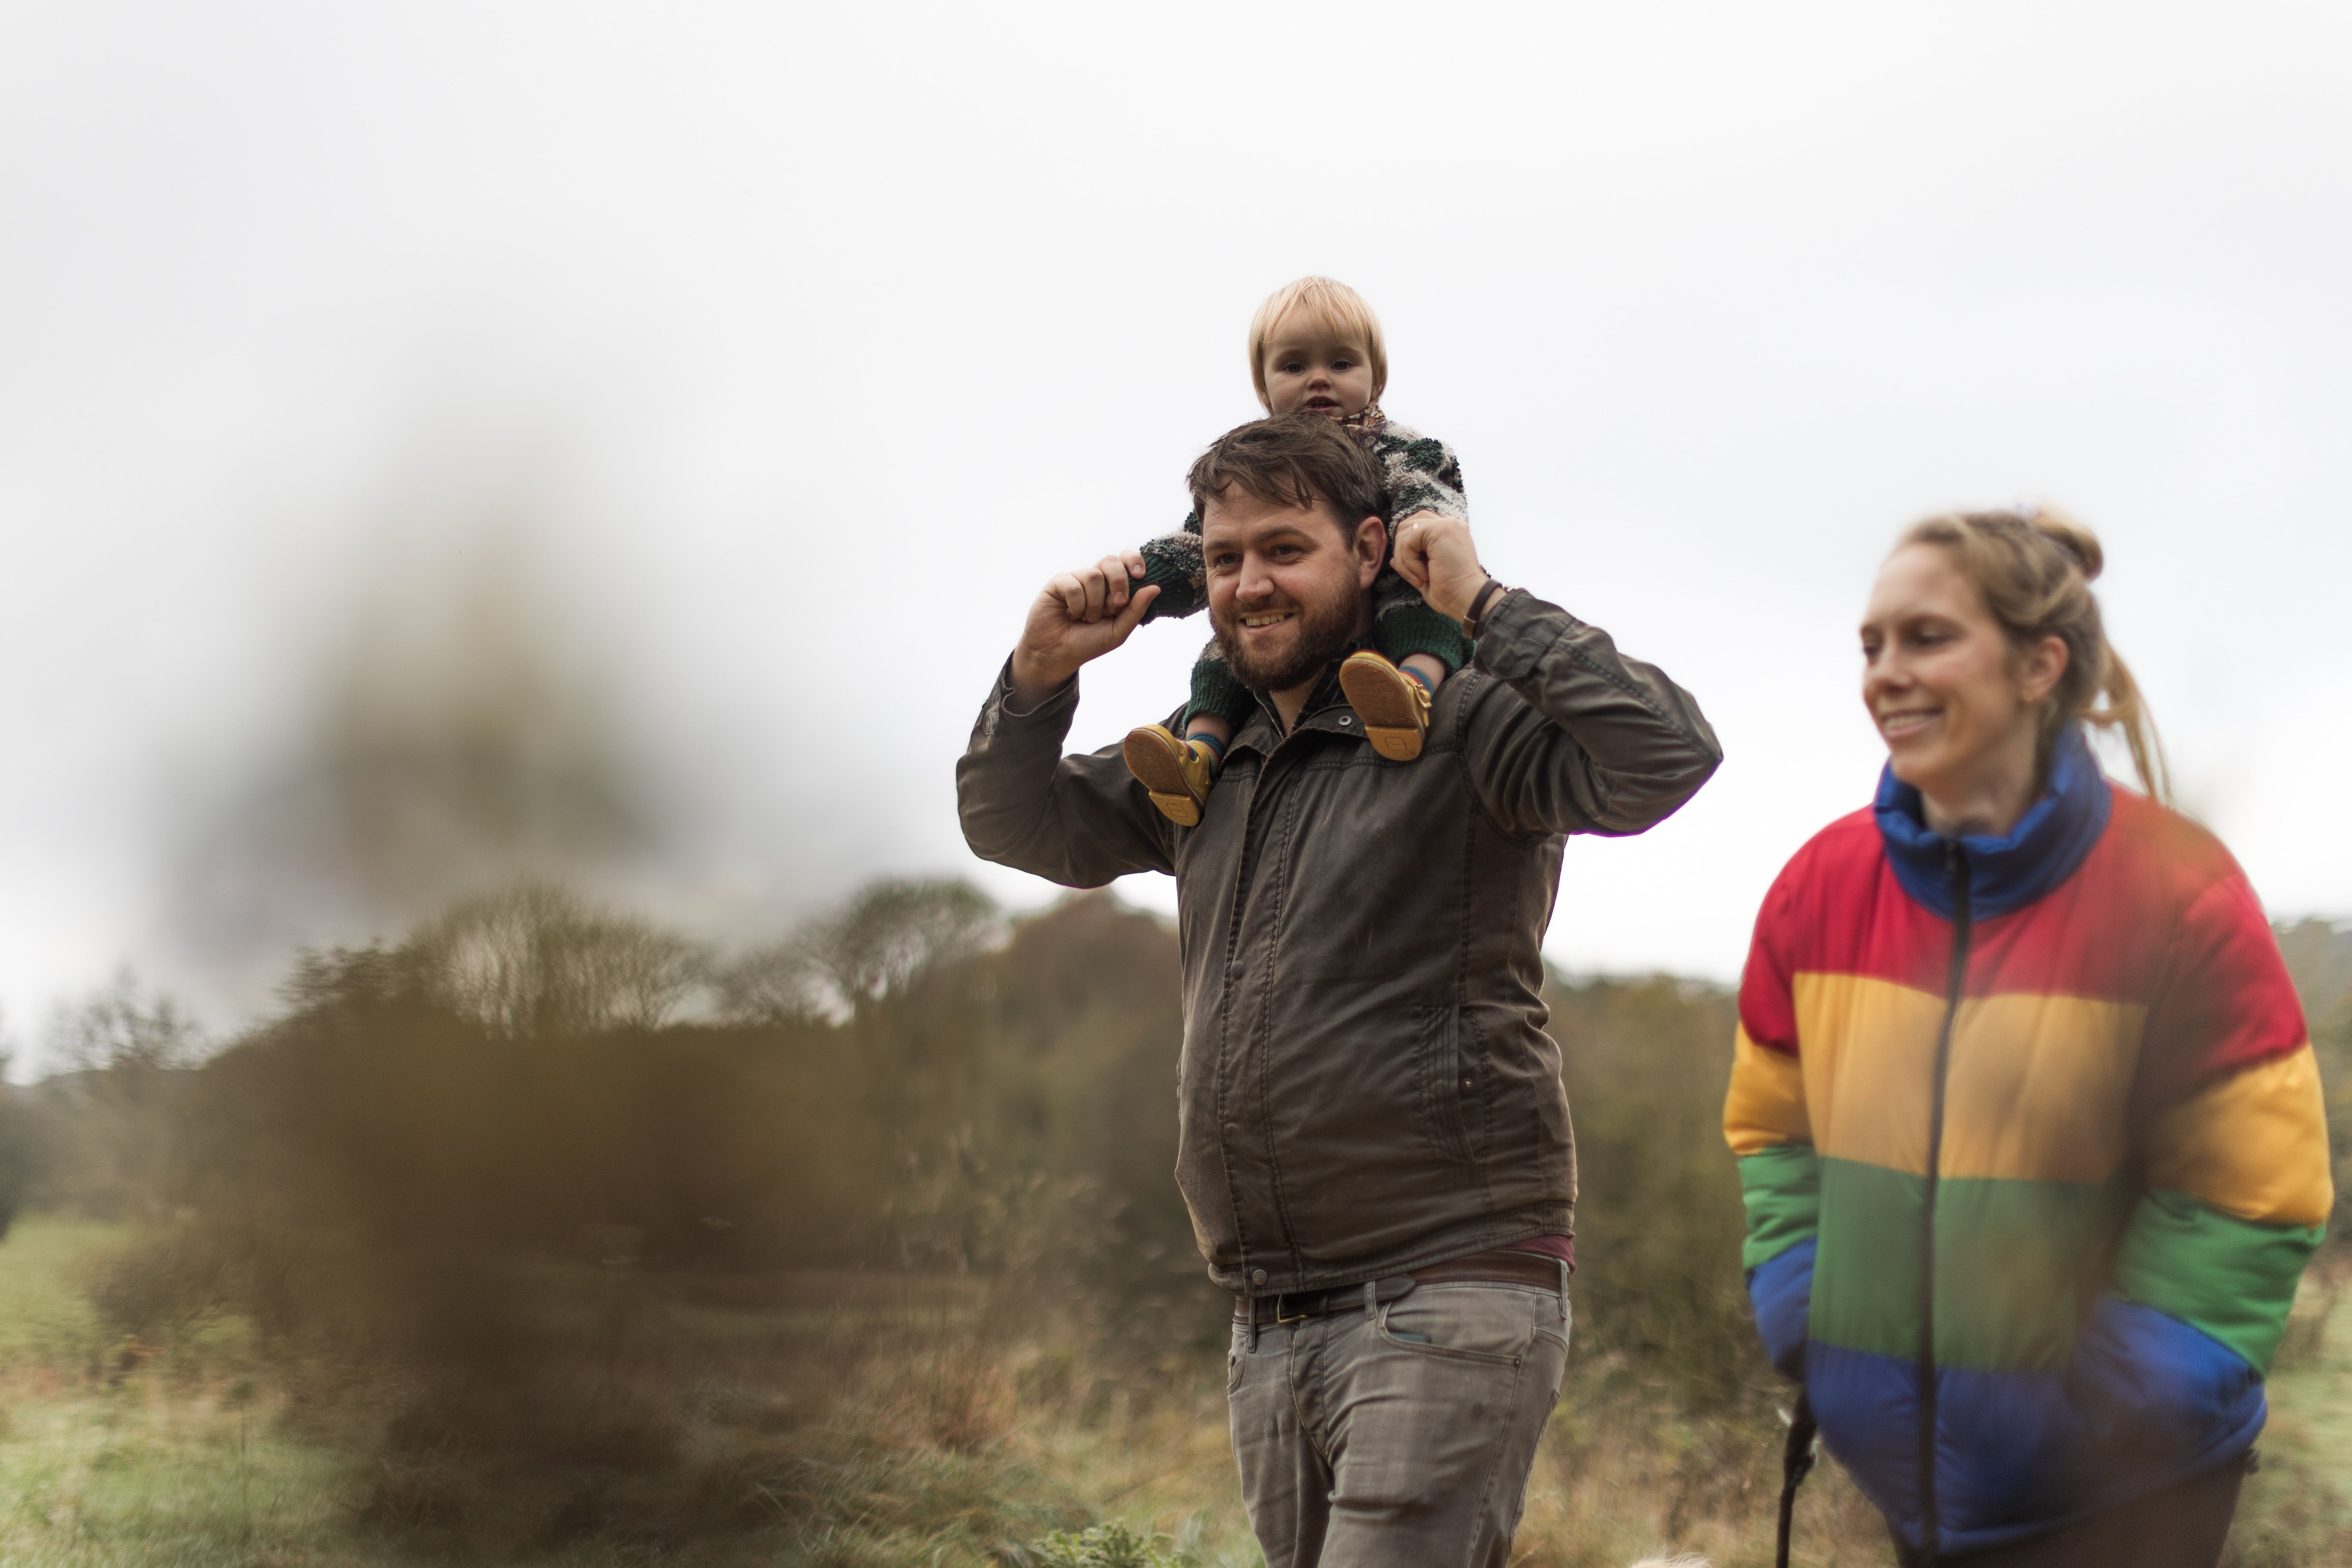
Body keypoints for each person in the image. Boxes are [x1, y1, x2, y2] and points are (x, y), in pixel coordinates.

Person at [958, 413, 1720, 1567]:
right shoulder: (1208, 761)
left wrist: (1487, 608)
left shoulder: (1460, 724)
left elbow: (1666, 753)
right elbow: (1011, 820)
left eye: (1283, 550)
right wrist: (1036, 676)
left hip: (1448, 1287)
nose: (1249, 585)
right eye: (1223, 559)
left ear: (1370, 550)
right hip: (1272, 1315)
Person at [1722, 507, 2333, 1567]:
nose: (1884, 674)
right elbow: (1773, 1131)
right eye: (1870, 644)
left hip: (2127, 1491)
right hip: (1913, 1489)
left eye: (1926, 638)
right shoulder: (1816, 890)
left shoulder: (2178, 892)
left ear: (2037, 664)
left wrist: (2092, 1409)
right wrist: (1801, 1311)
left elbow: (2252, 1193)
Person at [1112, 276, 1477, 825]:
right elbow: (1195, 549)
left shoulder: (1402, 446)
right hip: (1297, 650)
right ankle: (1200, 755)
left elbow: (1426, 492)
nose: (1318, 382)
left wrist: (1420, 522)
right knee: (1226, 650)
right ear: (1263, 386)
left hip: (1396, 584)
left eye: (1341, 364)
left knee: (1423, 603)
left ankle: (1413, 690)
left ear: (1376, 376)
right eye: (1294, 367)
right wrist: (1129, 585)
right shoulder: (1251, 467)